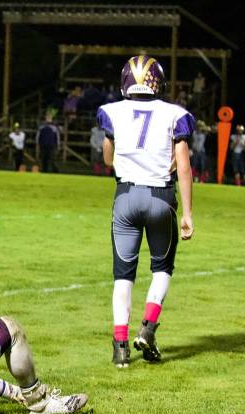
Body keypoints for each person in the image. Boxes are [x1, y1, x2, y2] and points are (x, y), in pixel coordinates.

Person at [97, 54, 195, 368]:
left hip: (125, 196)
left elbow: (108, 158)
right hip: (160, 197)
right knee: (162, 269)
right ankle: (148, 327)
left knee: (122, 275)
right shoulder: (174, 113)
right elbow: (183, 165)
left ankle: (121, 346)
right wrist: (188, 213)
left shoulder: (113, 111)